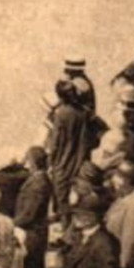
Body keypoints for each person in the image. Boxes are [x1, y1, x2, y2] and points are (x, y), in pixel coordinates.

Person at [12, 146, 54, 268]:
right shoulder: (41, 179)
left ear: (34, 162)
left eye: (28, 160)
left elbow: (29, 214)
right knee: (35, 267)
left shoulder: (38, 184)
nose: (25, 164)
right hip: (38, 230)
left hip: (33, 233)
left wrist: (12, 224)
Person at [45, 80, 89, 228]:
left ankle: (65, 228)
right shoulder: (82, 112)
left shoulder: (61, 113)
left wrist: (50, 161)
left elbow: (56, 142)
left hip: (63, 161)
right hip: (78, 159)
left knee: (62, 197)